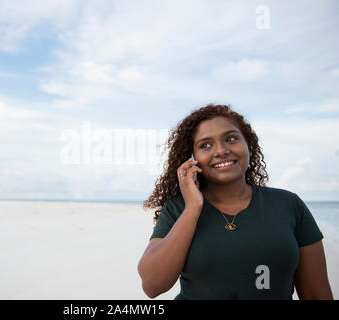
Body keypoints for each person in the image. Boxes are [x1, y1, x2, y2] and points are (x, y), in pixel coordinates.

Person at [138, 104, 333, 300]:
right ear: (192, 158)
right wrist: (192, 208)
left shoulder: (289, 204)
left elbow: (316, 293)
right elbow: (153, 286)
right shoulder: (178, 208)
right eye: (205, 145)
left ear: (248, 145)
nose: (221, 150)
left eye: (231, 139)